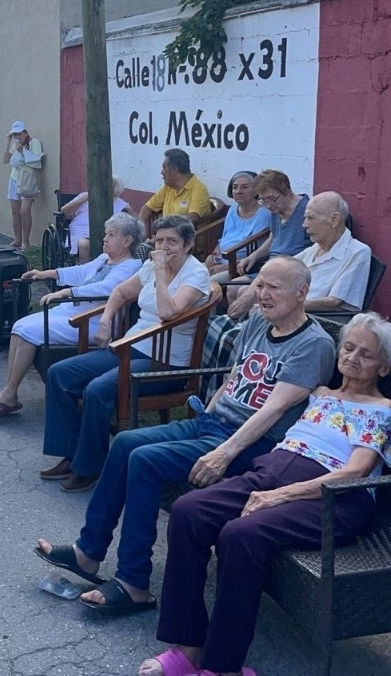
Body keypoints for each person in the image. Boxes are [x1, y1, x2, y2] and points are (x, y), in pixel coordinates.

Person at [35, 256, 337, 613]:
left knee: (144, 460)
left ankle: (134, 583)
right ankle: (88, 552)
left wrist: (224, 453)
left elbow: (273, 410)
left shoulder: (314, 345)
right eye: (260, 286)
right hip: (213, 424)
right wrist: (207, 413)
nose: (263, 295)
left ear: (302, 292)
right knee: (126, 443)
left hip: (251, 442)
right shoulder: (258, 322)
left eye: (274, 287)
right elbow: (234, 377)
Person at [139, 312, 391, 676]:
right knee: (189, 511)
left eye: (367, 353)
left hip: (333, 498)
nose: (353, 357)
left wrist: (280, 496)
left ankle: (227, 670)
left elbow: (356, 471)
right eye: (348, 347)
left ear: (384, 366)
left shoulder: (381, 409)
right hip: (271, 470)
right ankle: (189, 646)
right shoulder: (321, 393)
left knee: (240, 535)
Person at [40, 215, 212, 492]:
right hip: (132, 346)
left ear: (188, 244)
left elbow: (169, 312)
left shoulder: (196, 274)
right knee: (60, 373)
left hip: (165, 362)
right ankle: (71, 454)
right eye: (159, 240)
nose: (164, 246)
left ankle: (89, 468)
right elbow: (120, 291)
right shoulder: (150, 266)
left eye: (172, 241)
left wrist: (159, 271)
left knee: (97, 389)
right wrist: (107, 320)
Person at [0, 214, 144, 420]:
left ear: (128, 241)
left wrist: (65, 293)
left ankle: (9, 394)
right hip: (72, 312)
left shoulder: (132, 266)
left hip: (92, 321)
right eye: (105, 234)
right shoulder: (104, 259)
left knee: (29, 330)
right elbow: (80, 271)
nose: (105, 239)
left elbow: (108, 288)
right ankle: (8, 391)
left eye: (111, 235)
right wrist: (45, 273)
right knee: (19, 326)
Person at [226, 170, 311, 319]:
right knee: (233, 287)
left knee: (243, 293)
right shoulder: (276, 209)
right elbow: (274, 236)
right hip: (269, 266)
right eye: (264, 200)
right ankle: (239, 329)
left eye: (272, 198)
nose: (269, 205)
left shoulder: (306, 211)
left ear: (286, 190)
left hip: (288, 271)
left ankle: (251, 329)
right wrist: (254, 255)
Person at [297, 192, 371, 312]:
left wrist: (289, 306)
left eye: (310, 218)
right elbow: (282, 268)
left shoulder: (357, 252)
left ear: (334, 220)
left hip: (320, 320)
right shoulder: (315, 248)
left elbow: (333, 302)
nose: (304, 225)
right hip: (293, 313)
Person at [206, 171, 271, 276]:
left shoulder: (264, 214)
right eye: (235, 187)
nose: (238, 191)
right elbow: (224, 238)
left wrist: (225, 267)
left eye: (244, 187)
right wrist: (213, 256)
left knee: (208, 283)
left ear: (256, 191)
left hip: (240, 266)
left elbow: (258, 253)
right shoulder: (232, 209)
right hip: (221, 260)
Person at [139, 149, 211, 240]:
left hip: (186, 243)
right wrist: (141, 227)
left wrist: (162, 236)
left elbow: (191, 218)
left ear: (174, 170)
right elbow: (146, 208)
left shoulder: (198, 189)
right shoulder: (168, 187)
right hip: (165, 239)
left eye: (164, 168)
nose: (161, 172)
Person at [62, 179, 133, 263]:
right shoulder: (84, 196)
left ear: (116, 192)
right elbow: (64, 211)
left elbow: (135, 219)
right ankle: (84, 270)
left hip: (105, 232)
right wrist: (87, 197)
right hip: (81, 230)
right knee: (84, 244)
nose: (104, 188)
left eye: (109, 187)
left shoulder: (120, 203)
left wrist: (127, 212)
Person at [3, 121, 44, 249]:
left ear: (25, 132)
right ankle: (17, 239)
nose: (18, 137)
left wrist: (22, 152)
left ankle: (26, 241)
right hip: (15, 178)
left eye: (19, 134)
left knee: (24, 210)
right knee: (15, 210)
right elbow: (5, 160)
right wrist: (8, 142)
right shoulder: (16, 144)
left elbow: (36, 162)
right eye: (15, 135)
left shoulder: (34, 143)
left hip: (27, 180)